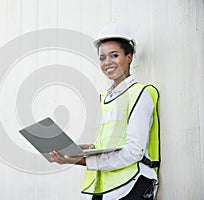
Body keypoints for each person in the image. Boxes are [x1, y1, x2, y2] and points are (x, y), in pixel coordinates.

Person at [50, 23, 160, 200]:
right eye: (102, 58)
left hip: (131, 187)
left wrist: (81, 160)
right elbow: (107, 144)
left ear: (129, 57)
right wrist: (78, 150)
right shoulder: (105, 98)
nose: (107, 62)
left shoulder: (140, 93)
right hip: (104, 190)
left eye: (114, 55)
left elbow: (133, 152)